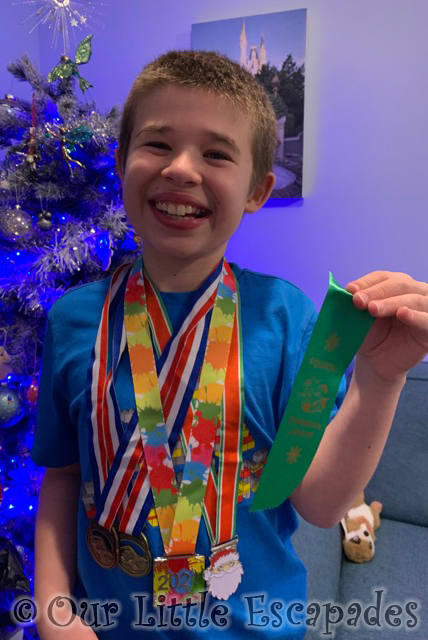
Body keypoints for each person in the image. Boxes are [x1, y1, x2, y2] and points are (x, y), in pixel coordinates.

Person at [31, 50, 428, 640]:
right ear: (120, 163)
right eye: (158, 144)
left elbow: (320, 505)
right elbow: (63, 476)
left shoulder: (286, 318)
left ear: (257, 189)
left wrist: (382, 378)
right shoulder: (72, 320)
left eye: (216, 153)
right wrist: (53, 606)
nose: (183, 169)